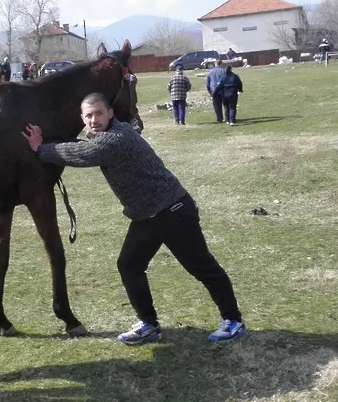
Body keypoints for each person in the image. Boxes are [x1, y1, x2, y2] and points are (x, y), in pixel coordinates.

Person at [21, 92, 246, 345]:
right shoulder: (108, 134)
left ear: (110, 114)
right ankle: (149, 325)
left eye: (99, 113)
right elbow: (85, 145)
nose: (94, 119)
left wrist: (41, 148)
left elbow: (83, 154)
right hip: (147, 216)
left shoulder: (116, 139)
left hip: (172, 210)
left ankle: (233, 320)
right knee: (129, 265)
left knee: (202, 268)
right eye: (88, 115)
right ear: (82, 119)